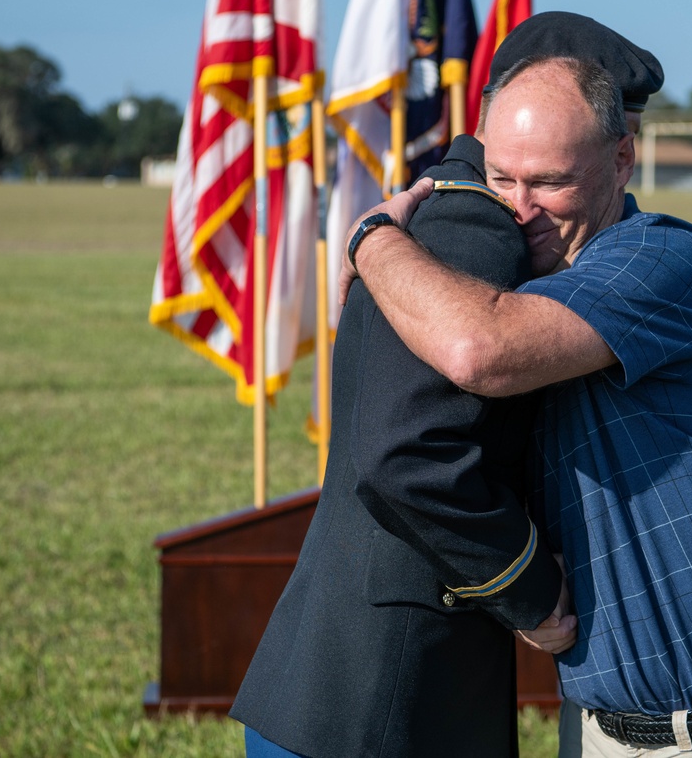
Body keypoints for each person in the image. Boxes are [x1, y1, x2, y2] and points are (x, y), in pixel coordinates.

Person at [339, 23, 692, 756]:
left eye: (551, 181)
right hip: (602, 733)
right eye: (502, 179)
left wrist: (372, 238)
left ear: (623, 157)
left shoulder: (662, 258)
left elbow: (478, 347)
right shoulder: (533, 281)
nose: (521, 209)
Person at [229, 131, 567, 758]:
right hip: (385, 697)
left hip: (329, 688)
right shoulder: (479, 226)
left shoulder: (426, 210)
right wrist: (532, 591)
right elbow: (411, 455)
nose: (527, 203)